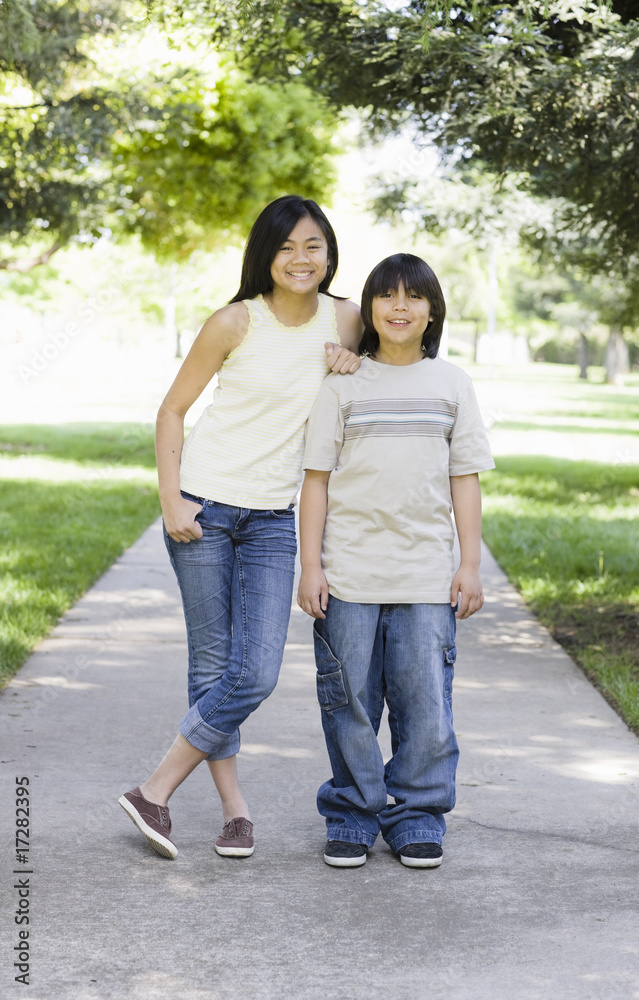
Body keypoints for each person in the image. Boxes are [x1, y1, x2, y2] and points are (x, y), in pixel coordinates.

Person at [119, 195, 363, 860]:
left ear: (329, 253)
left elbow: (395, 369)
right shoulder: (233, 322)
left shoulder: (347, 319)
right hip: (204, 504)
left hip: (274, 518)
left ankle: (154, 789)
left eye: (312, 245)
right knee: (213, 668)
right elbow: (172, 411)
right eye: (285, 247)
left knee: (252, 672)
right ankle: (234, 812)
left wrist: (356, 363)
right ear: (265, 254)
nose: (300, 259)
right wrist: (172, 501)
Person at [297, 253, 495, 868]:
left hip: (427, 576)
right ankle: (354, 813)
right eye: (387, 296)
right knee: (349, 700)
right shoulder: (344, 384)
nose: (400, 307)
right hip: (350, 573)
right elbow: (316, 481)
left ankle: (416, 815)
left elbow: (466, 478)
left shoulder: (452, 384)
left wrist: (469, 565)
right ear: (370, 307)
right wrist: (311, 566)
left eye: (414, 297)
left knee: (425, 702)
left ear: (432, 310)